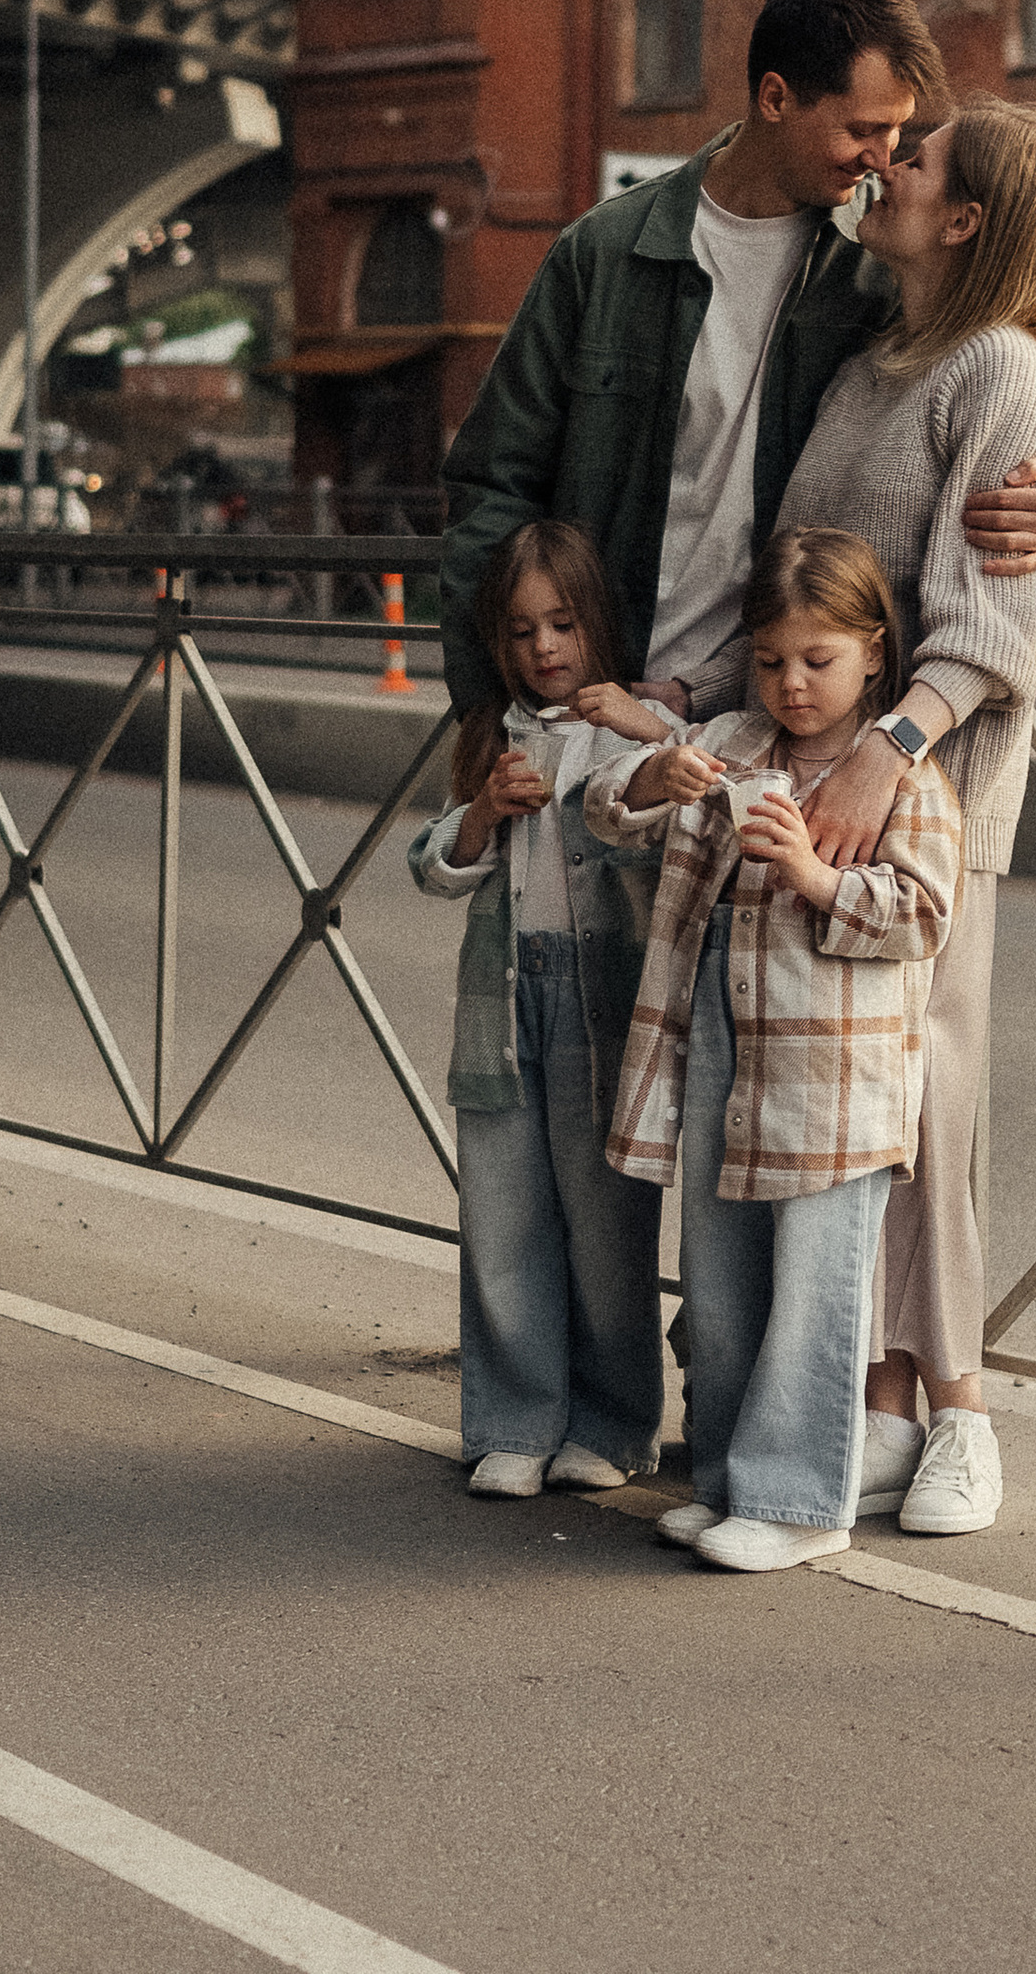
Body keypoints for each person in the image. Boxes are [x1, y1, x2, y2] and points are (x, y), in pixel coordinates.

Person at [439, 0, 1036, 759]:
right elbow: (492, 484)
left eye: (898, 134)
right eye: (863, 127)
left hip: (760, 722)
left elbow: (997, 386)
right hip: (590, 702)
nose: (883, 159)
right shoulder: (603, 253)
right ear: (777, 97)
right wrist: (484, 709)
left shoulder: (872, 271)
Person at [743, 96, 1036, 1540]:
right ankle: (881, 1392)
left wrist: (888, 754)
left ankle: (963, 1405)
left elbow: (990, 628)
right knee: (859, 1099)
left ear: (966, 220)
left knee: (932, 1096)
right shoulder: (874, 361)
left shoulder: (1005, 373)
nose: (887, 164)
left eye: (921, 159)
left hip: (933, 794)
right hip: (833, 774)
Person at [586, 526, 958, 1570]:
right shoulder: (737, 748)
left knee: (815, 1290)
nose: (791, 685)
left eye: (818, 660)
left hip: (836, 1078)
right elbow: (610, 817)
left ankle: (803, 1502)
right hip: (721, 1050)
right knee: (721, 1278)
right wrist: (651, 780)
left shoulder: (898, 781)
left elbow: (923, 916)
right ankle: (730, 1482)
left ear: (875, 653)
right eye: (770, 661)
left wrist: (814, 874)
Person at [406, 521, 674, 1496]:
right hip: (502, 1005)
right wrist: (480, 816)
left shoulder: (632, 726)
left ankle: (611, 1423)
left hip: (601, 1007)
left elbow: (689, 807)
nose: (544, 648)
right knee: (504, 1212)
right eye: (520, 630)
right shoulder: (495, 735)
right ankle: (514, 1417)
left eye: (562, 623)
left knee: (606, 1225)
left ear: (594, 623)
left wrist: (653, 734)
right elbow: (430, 866)